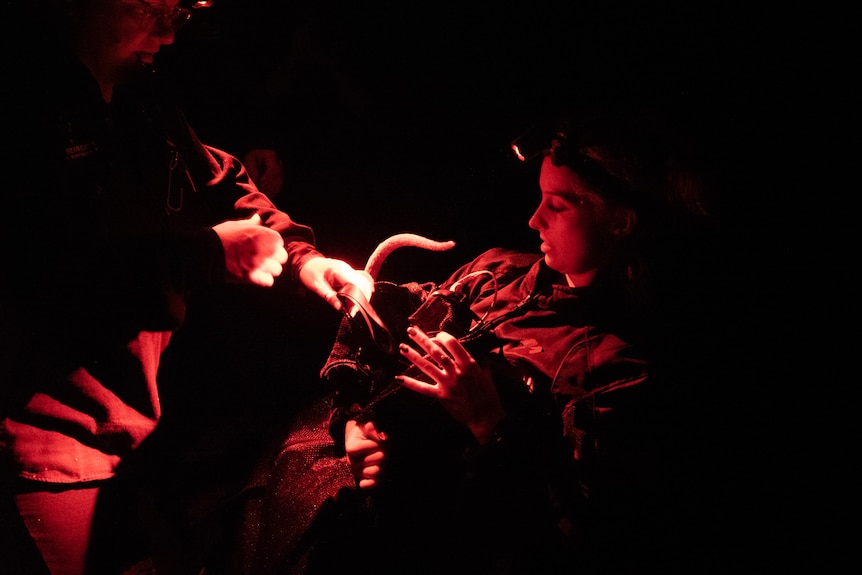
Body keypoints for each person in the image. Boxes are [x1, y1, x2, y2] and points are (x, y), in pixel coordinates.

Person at [226, 108, 718, 574]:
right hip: (335, 475)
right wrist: (356, 420)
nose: (533, 220)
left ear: (621, 221)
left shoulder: (616, 373)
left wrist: (489, 422)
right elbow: (381, 351)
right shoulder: (495, 271)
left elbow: (575, 532)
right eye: (539, 197)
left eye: (558, 205)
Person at [0, 1, 373, 574]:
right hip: (42, 446)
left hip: (132, 435)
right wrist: (206, 253)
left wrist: (305, 260)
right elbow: (48, 272)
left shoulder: (139, 99)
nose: (168, 35)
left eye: (180, 12)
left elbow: (217, 181)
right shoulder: (26, 109)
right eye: (153, 8)